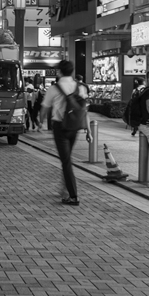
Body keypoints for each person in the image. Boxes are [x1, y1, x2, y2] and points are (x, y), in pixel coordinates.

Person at [42, 59, 87, 205]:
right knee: (67, 159)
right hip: (75, 127)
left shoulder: (54, 89)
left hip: (60, 127)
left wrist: (38, 122)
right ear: (72, 71)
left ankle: (73, 195)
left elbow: (45, 108)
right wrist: (87, 128)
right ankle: (66, 189)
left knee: (66, 161)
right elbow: (84, 109)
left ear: (59, 72)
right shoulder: (80, 87)